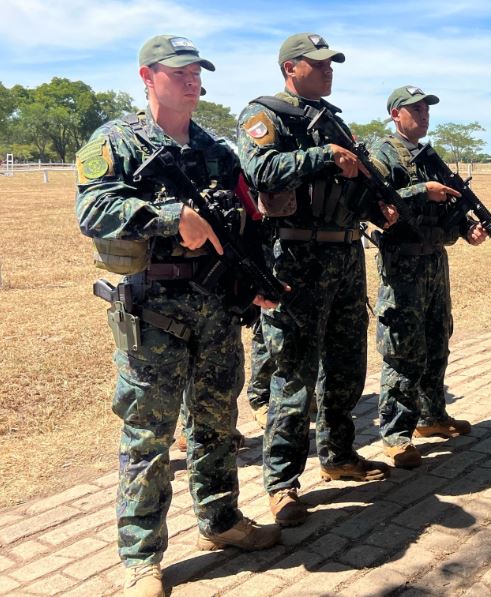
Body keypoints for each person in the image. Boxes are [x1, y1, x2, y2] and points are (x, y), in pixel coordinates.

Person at [75, 35, 280, 597]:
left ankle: (220, 521)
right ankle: (142, 556)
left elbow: (247, 221)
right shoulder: (117, 140)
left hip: (215, 308)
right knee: (149, 435)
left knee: (217, 424)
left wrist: (255, 282)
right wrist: (171, 217)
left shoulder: (217, 150)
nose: (192, 81)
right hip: (153, 311)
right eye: (179, 72)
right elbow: (91, 207)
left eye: (197, 72)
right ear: (148, 77)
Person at [237, 32, 394, 528]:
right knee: (294, 374)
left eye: (332, 64)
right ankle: (282, 483)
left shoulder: (337, 123)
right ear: (290, 68)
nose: (329, 71)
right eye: (319, 64)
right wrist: (322, 155)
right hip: (296, 257)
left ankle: (339, 454)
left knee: (347, 364)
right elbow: (260, 170)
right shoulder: (266, 115)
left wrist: (380, 208)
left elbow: (357, 181)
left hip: (346, 254)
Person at [368, 85, 487, 468]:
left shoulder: (431, 156)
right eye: (414, 109)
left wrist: (468, 228)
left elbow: (450, 201)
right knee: (403, 348)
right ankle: (396, 435)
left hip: (435, 259)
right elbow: (377, 199)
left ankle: (432, 416)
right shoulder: (381, 152)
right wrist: (423, 189)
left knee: (437, 337)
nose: (422, 115)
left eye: (426, 109)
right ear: (394, 114)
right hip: (402, 262)